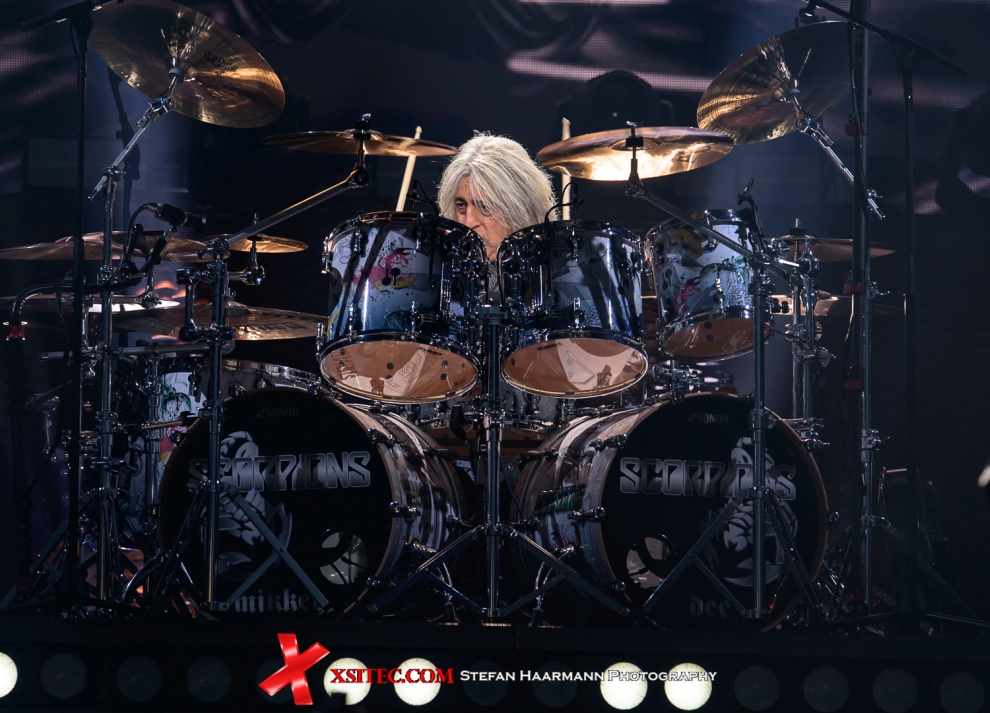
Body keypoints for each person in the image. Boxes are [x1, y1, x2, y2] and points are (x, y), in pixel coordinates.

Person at [437, 133, 558, 262]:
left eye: (485, 206)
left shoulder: (560, 271)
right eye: (461, 206)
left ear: (521, 210)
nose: (468, 223)